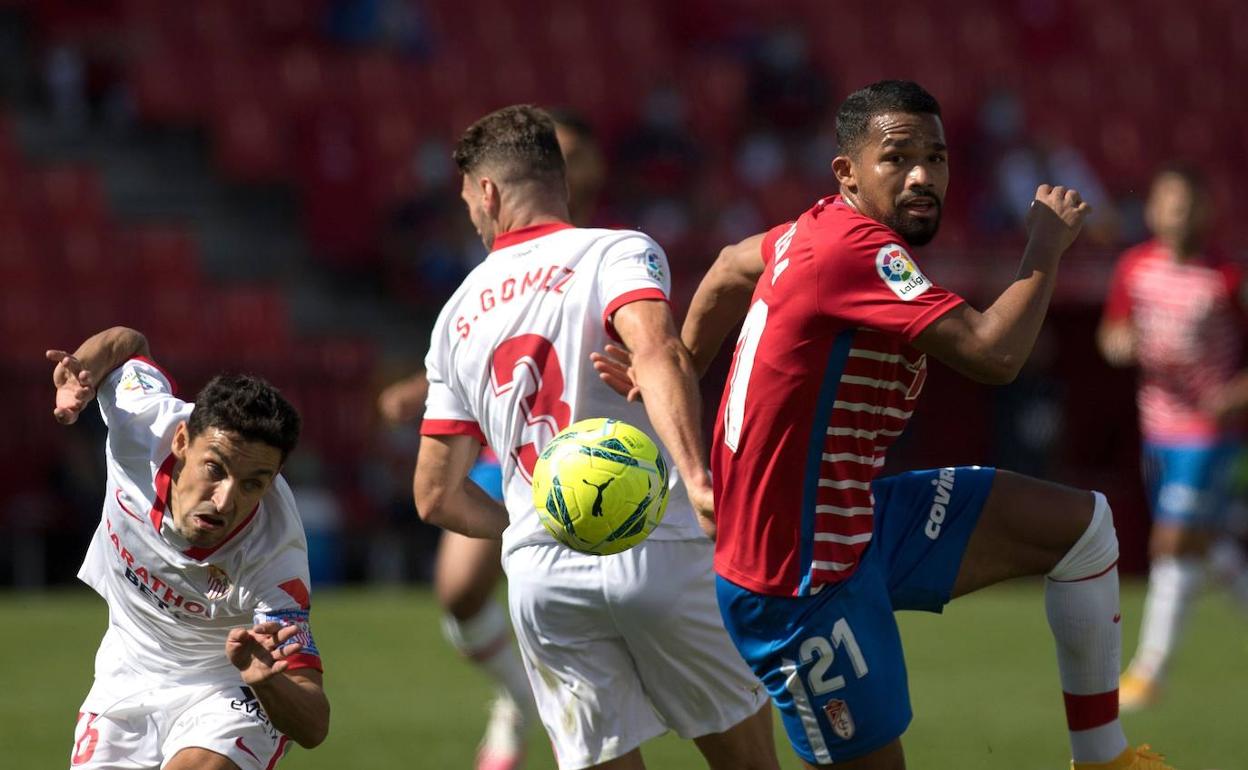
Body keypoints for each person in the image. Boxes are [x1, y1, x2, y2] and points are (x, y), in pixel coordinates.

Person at [650, 80, 1170, 769]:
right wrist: (1043, 248)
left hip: (852, 524)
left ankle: (1104, 761)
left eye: (938, 157)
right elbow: (995, 354)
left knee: (1082, 529)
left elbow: (725, 269)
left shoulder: (810, 229)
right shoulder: (855, 250)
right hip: (795, 578)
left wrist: (683, 364)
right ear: (848, 173)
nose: (923, 175)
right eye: (897, 158)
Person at [412, 104, 778, 770]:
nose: (470, 210)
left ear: (488, 192)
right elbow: (659, 351)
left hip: (542, 578)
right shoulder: (618, 251)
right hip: (656, 543)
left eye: (468, 196)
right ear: (562, 178)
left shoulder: (454, 313)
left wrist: (527, 524)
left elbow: (434, 496)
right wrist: (696, 479)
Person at [376, 109, 606, 770]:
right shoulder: (507, 250)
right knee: (459, 590)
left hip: (593, 443)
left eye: (574, 153)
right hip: (510, 443)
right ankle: (519, 694)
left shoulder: (609, 249)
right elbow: (496, 349)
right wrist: (424, 391)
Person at [48, 326, 329, 770]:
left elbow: (313, 723)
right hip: (126, 677)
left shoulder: (275, 553)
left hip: (227, 688)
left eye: (253, 484)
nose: (225, 501)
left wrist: (266, 681)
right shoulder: (140, 424)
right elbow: (127, 342)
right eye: (215, 469)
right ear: (181, 441)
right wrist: (80, 370)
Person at [1098, 165, 1248, 711]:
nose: (1174, 215)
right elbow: (1113, 331)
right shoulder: (1134, 268)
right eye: (1165, 204)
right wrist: (1118, 344)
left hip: (1211, 430)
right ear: (1154, 210)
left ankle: (1148, 671)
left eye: (1185, 205)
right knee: (1201, 549)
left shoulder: (1227, 277)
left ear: (1204, 211)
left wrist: (1238, 393)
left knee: (1171, 542)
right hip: (1156, 426)